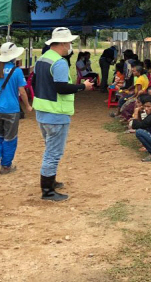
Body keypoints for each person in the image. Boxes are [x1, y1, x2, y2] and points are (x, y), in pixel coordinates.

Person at [33, 27, 93, 201]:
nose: (70, 46)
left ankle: (50, 181)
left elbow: (36, 83)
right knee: (53, 153)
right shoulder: (59, 62)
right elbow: (61, 87)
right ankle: (47, 191)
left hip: (42, 112)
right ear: (63, 43)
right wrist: (83, 87)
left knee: (50, 148)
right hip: (56, 113)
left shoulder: (42, 59)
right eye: (69, 42)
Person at [0, 42, 32, 175]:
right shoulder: (17, 71)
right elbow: (22, 92)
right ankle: (6, 166)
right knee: (10, 139)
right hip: (12, 110)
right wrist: (28, 106)